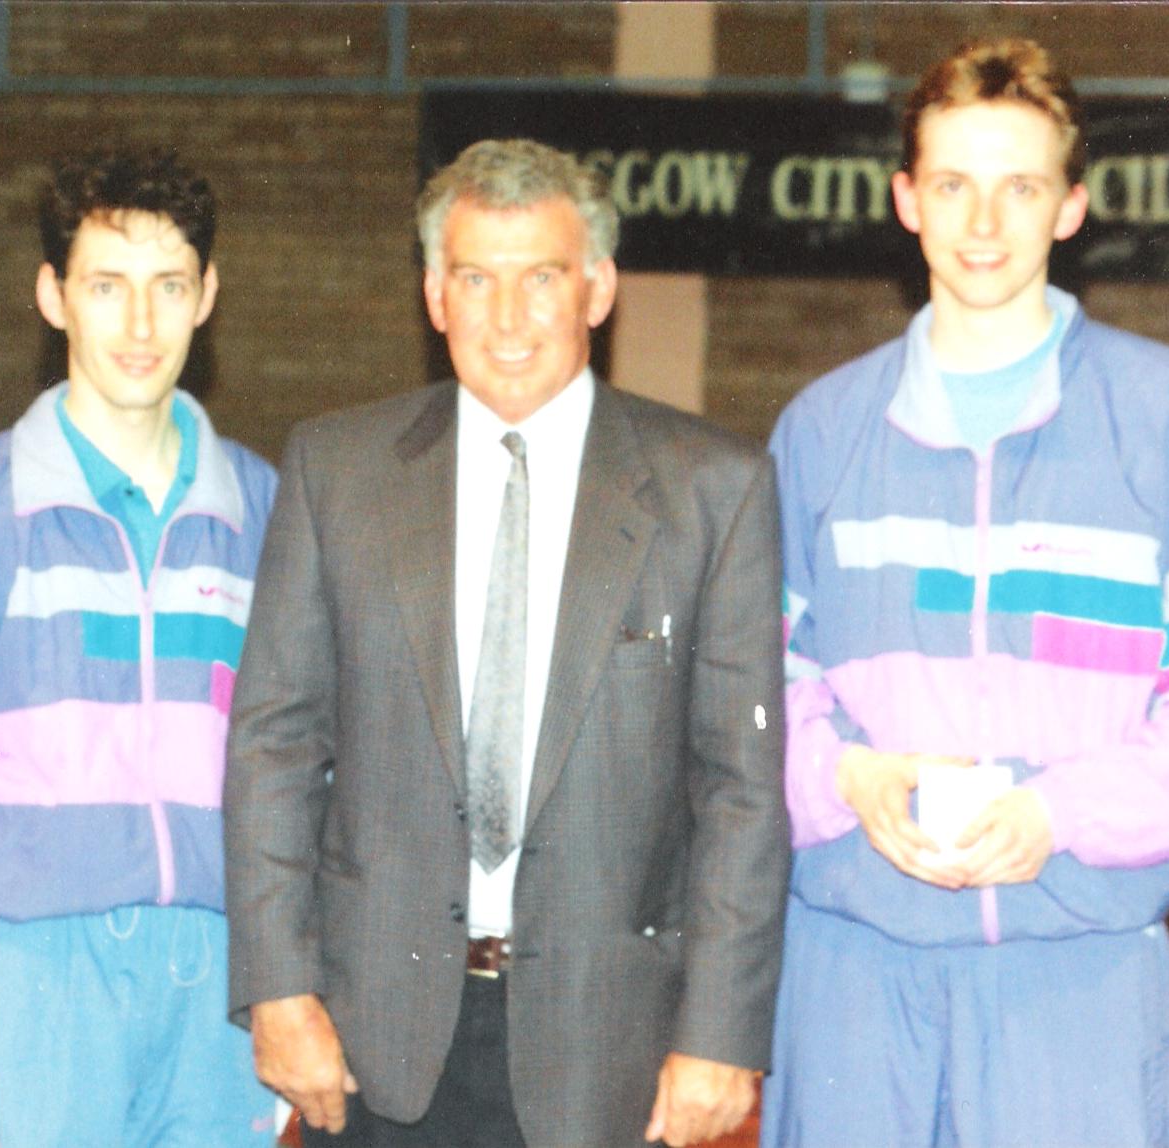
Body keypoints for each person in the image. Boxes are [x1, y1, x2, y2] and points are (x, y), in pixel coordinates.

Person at [760, 37, 1169, 1148]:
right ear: (905, 200)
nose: (983, 225)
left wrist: (1057, 813)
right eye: (953, 184)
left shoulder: (1164, 415)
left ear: (1072, 206)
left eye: (1019, 187)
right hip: (852, 976)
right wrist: (849, 774)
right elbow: (756, 698)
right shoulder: (820, 432)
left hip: (1076, 978)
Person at [223, 137, 790, 1148]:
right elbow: (275, 744)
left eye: (543, 278)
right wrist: (277, 985)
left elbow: (740, 789)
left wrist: (720, 1030)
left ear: (600, 287)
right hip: (374, 1037)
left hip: (610, 1047)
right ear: (436, 292)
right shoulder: (335, 470)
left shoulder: (716, 487)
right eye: (477, 278)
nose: (510, 318)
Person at [0, 148, 280, 1148]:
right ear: (53, 295)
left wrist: (293, 988)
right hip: (30, 991)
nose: (138, 325)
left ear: (206, 295)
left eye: (168, 287)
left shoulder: (266, 513)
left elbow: (308, 774)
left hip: (218, 998)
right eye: (106, 286)